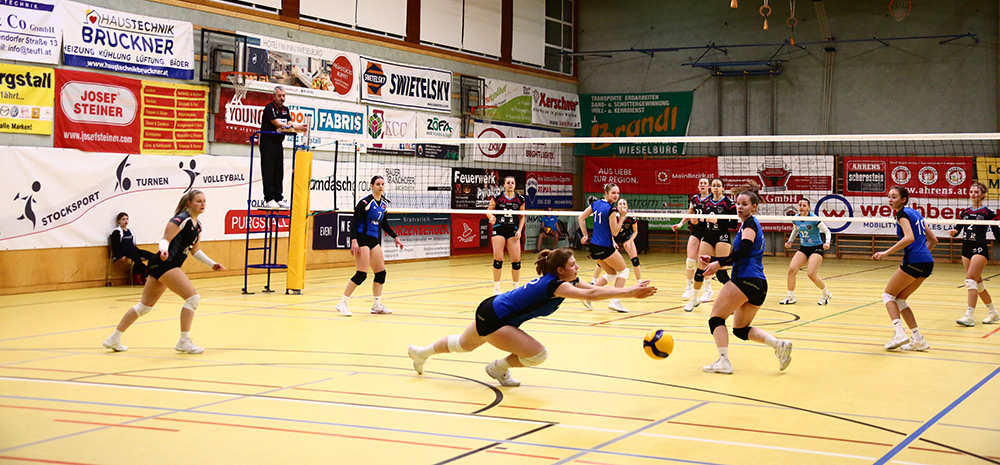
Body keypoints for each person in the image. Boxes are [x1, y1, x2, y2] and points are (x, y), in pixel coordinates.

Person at [407, 248, 657, 386]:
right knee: (539, 355)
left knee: (463, 345)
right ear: (560, 270)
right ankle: (498, 368)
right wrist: (630, 292)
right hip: (496, 318)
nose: (577, 267)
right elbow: (590, 294)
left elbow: (592, 288)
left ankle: (421, 353)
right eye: (572, 265)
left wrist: (625, 289)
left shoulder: (564, 280)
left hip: (490, 307)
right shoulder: (556, 285)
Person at [102, 190, 225, 354]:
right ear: (189, 203)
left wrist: (212, 264)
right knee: (193, 298)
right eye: (198, 201)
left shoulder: (198, 226)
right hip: (166, 263)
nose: (202, 204)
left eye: (204, 201)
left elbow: (195, 250)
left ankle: (114, 338)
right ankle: (184, 341)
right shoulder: (181, 219)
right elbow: (165, 239)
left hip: (163, 266)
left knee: (144, 306)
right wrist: (163, 250)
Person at [699, 182, 792, 374]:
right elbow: (740, 255)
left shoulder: (750, 224)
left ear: (754, 207)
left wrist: (717, 264)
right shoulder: (749, 225)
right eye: (738, 203)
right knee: (740, 329)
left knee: (716, 319)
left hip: (745, 280)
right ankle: (779, 345)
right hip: (759, 285)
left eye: (744, 204)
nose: (739, 207)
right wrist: (715, 260)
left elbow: (744, 251)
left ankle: (724, 361)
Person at [873, 186, 938, 352]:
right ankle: (918, 339)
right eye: (889, 197)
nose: (890, 200)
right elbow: (934, 240)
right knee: (900, 299)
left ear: (903, 200)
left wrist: (886, 252)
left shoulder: (902, 214)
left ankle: (900, 334)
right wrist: (923, 255)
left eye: (894, 197)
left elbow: (909, 237)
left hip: (914, 260)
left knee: (888, 295)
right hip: (927, 262)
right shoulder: (916, 213)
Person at [335, 176, 405, 316]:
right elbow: (354, 222)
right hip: (362, 239)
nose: (381, 186)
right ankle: (342, 303)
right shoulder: (365, 203)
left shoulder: (383, 204)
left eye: (382, 184)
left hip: (373, 239)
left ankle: (376, 305)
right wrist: (354, 240)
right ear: (372, 186)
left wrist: (395, 237)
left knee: (381, 273)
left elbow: (384, 223)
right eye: (378, 184)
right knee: (361, 274)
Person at [948, 182, 1000, 326]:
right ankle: (993, 312)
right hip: (966, 249)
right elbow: (958, 229)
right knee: (978, 284)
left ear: (983, 195)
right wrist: (954, 232)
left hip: (980, 249)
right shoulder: (964, 212)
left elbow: (996, 233)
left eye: (976, 192)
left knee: (970, 281)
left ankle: (969, 316)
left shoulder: (988, 213)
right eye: (971, 192)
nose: (973, 194)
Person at [578, 183, 632, 312]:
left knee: (611, 274)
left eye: (617, 193)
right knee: (624, 271)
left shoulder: (596, 204)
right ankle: (615, 301)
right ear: (606, 193)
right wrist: (622, 217)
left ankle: (587, 295)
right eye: (613, 193)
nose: (616, 196)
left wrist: (585, 235)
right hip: (605, 246)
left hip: (593, 247)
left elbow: (581, 217)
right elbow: (615, 232)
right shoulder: (611, 210)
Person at [685, 178, 735, 312]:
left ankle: (732, 302)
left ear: (723, 188)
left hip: (722, 237)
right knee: (700, 268)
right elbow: (702, 221)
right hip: (708, 236)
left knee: (721, 272)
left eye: (719, 186)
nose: (716, 188)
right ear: (711, 188)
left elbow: (734, 224)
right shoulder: (706, 203)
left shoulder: (729, 203)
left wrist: (717, 220)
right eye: (714, 186)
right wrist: (695, 221)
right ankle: (694, 299)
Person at [780, 199, 834, 305]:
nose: (801, 207)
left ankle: (826, 293)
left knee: (811, 274)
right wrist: (790, 241)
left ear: (808, 207)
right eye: (800, 205)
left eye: (804, 205)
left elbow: (827, 231)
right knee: (792, 270)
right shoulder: (796, 218)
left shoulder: (814, 219)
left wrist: (827, 242)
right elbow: (796, 229)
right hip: (804, 248)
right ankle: (790, 297)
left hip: (816, 248)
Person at [259, 86, 305, 209]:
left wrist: (296, 126)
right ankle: (269, 199)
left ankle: (278, 198)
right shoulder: (270, 108)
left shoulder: (285, 109)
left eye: (284, 95)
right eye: (279, 96)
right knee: (268, 171)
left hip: (278, 143)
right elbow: (278, 124)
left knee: (279, 171)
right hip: (268, 142)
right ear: (274, 96)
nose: (282, 98)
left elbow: (289, 123)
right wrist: (293, 126)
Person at [487, 176, 526, 294]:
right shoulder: (498, 197)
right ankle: (496, 288)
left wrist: (520, 230)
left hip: (513, 229)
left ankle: (516, 288)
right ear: (504, 185)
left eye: (512, 183)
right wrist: (491, 217)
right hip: (499, 228)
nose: (510, 184)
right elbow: (488, 210)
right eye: (508, 182)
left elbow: (522, 216)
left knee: (516, 260)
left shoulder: (520, 199)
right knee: (498, 258)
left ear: (515, 185)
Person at [673, 178, 711, 300]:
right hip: (696, 231)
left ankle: (707, 289)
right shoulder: (694, 198)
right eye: (701, 183)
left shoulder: (712, 199)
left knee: (703, 262)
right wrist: (680, 224)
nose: (702, 185)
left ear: (709, 186)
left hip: (708, 232)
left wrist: (706, 218)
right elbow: (690, 212)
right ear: (698, 186)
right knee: (690, 260)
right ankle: (688, 288)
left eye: (705, 183)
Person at [592, 198, 641, 283]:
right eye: (620, 204)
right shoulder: (613, 215)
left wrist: (629, 241)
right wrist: (613, 242)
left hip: (626, 238)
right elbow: (609, 231)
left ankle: (639, 282)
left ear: (627, 207)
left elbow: (635, 232)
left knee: (635, 260)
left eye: (624, 204)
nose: (622, 205)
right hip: (613, 238)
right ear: (617, 207)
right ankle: (593, 281)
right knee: (602, 260)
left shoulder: (631, 218)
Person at [110, 212, 156, 284]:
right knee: (137, 258)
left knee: (152, 256)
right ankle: (146, 274)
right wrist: (119, 256)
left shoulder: (130, 231)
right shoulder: (117, 232)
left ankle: (150, 271)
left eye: (127, 219)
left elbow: (133, 244)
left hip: (133, 250)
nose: (125, 221)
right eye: (123, 219)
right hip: (125, 251)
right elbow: (115, 246)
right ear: (119, 221)